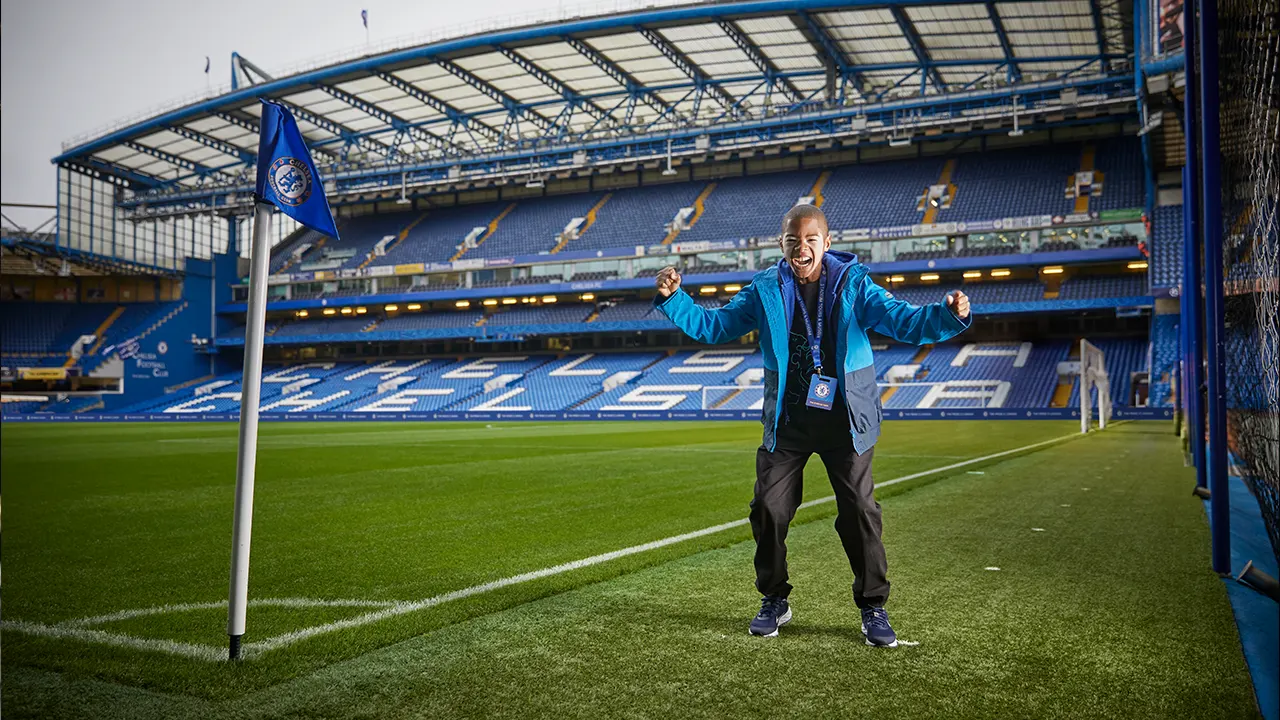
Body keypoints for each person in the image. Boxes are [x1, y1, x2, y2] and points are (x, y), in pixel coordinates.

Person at [653, 204, 971, 646]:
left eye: (810, 240)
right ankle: (774, 599)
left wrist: (946, 315)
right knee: (767, 507)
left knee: (860, 511)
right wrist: (674, 300)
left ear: (826, 241)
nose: (800, 249)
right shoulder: (765, 289)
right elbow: (717, 325)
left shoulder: (854, 285)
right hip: (789, 424)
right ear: (781, 244)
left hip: (846, 422)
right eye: (791, 241)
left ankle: (873, 607)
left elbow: (901, 318)